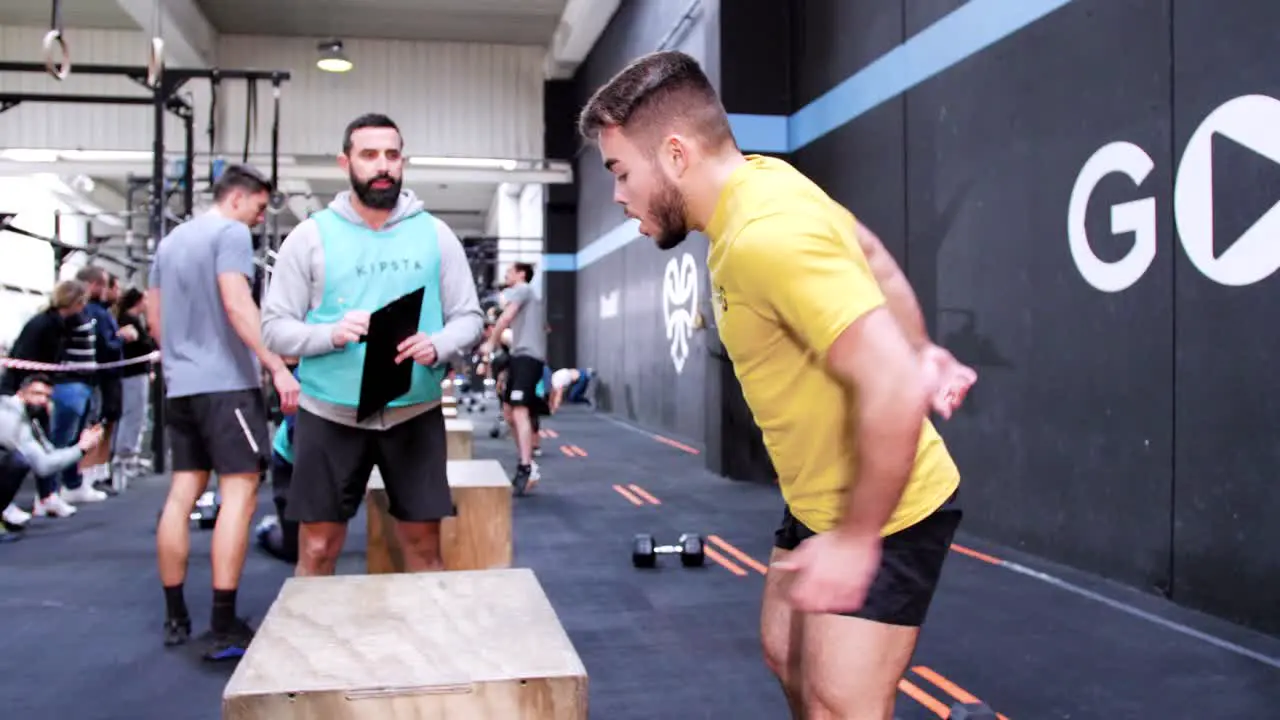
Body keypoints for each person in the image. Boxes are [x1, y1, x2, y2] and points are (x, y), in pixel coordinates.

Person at [578, 50, 979, 719]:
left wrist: (856, 539)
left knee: (839, 705)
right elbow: (869, 252)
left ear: (675, 154)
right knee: (786, 656)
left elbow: (891, 389)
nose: (618, 195)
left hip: (888, 510)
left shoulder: (768, 234)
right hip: (819, 496)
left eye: (621, 172)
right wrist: (919, 346)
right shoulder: (760, 185)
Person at [261, 113, 483, 577]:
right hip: (329, 416)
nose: (382, 165)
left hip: (413, 413)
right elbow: (275, 328)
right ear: (347, 162)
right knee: (318, 549)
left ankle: (427, 647)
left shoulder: (436, 235)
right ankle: (312, 646)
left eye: (391, 154)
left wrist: (440, 344)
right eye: (368, 155)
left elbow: (470, 319)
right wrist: (330, 334)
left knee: (424, 551)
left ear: (403, 161)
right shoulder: (310, 236)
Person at [146, 163, 300, 660]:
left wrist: (180, 357)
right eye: (260, 207)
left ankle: (175, 616)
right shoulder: (230, 233)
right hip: (226, 387)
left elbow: (154, 314)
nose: (259, 219)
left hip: (181, 384)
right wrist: (276, 366)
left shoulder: (170, 242)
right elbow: (237, 304)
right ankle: (223, 622)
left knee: (182, 493)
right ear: (241, 197)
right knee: (238, 493)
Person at [0, 279, 90, 522]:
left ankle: (46, 496)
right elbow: (22, 359)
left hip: (31, 389)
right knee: (22, 452)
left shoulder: (58, 325)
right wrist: (28, 394)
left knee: (39, 445)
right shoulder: (43, 325)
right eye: (81, 302)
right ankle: (14, 502)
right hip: (18, 392)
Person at [0, 374, 105, 541]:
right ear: (21, 394)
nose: (42, 400)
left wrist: (81, 447)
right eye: (36, 394)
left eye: (46, 396)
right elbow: (43, 466)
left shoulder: (29, 418)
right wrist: (81, 449)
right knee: (17, 462)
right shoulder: (12, 417)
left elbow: (49, 453)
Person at [480, 263, 546, 494]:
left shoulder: (523, 289)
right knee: (509, 412)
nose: (506, 274)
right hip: (519, 357)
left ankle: (525, 466)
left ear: (521, 274)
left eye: (509, 271)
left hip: (529, 357)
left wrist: (490, 343)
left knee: (519, 410)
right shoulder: (526, 297)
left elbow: (505, 317)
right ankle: (529, 462)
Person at [113, 286, 155, 484]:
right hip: (132, 375)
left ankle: (131, 455)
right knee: (132, 414)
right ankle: (125, 457)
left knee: (139, 416)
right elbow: (142, 346)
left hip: (140, 373)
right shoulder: (128, 322)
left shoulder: (136, 321)